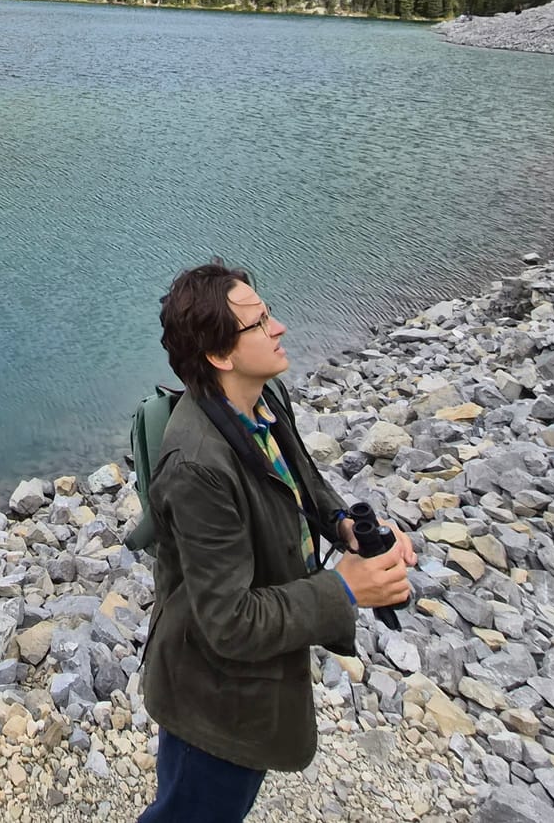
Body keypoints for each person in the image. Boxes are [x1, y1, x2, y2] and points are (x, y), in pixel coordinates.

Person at [139, 260, 416, 823]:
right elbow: (231, 621)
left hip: (249, 681)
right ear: (220, 355)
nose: (280, 327)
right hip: (212, 698)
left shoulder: (261, 399)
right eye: (260, 322)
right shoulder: (197, 467)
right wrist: (343, 588)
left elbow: (301, 479)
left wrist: (344, 527)